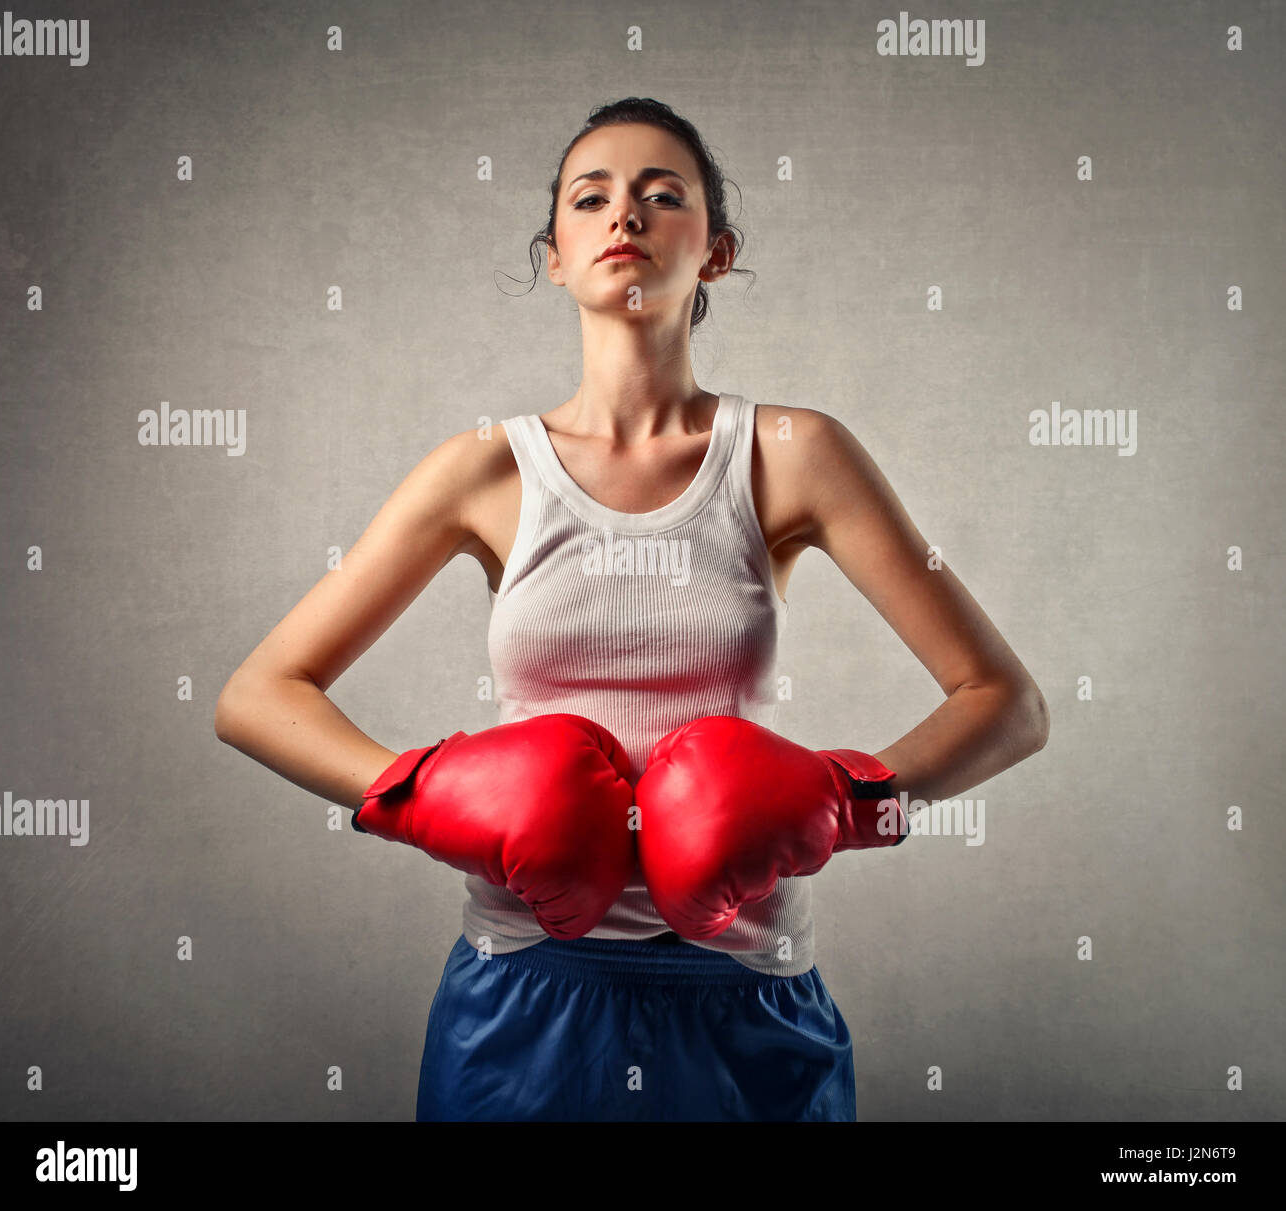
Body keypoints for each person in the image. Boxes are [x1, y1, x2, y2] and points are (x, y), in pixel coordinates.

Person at [214, 96, 1050, 1122]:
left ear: (716, 251)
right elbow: (256, 695)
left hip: (747, 988)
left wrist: (843, 800)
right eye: (591, 198)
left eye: (664, 197)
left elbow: (1005, 702)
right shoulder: (483, 468)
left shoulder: (792, 453)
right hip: (522, 994)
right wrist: (421, 794)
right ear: (556, 253)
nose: (626, 218)